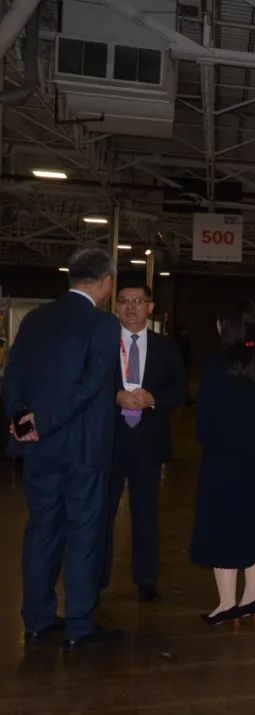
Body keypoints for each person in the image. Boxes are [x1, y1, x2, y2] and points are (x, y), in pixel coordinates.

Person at [3, 248, 123, 649]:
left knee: (41, 530)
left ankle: (37, 620)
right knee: (85, 534)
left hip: (39, 449)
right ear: (106, 282)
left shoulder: (35, 319)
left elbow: (13, 374)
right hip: (84, 449)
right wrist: (47, 422)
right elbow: (90, 387)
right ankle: (79, 625)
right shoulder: (104, 325)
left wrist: (24, 421)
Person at [102, 284, 187, 603]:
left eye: (138, 301)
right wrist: (116, 395)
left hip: (148, 441)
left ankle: (146, 579)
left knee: (146, 513)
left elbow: (180, 390)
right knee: (102, 513)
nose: (130, 306)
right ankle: (97, 578)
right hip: (110, 440)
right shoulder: (104, 343)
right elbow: (88, 383)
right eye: (124, 301)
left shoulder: (166, 346)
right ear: (115, 307)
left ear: (150, 308)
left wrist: (153, 398)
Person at [190, 298, 255, 626]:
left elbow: (204, 416)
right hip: (254, 452)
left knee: (221, 523)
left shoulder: (216, 365)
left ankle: (226, 603)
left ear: (227, 326)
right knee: (253, 521)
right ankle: (250, 599)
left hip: (221, 454)